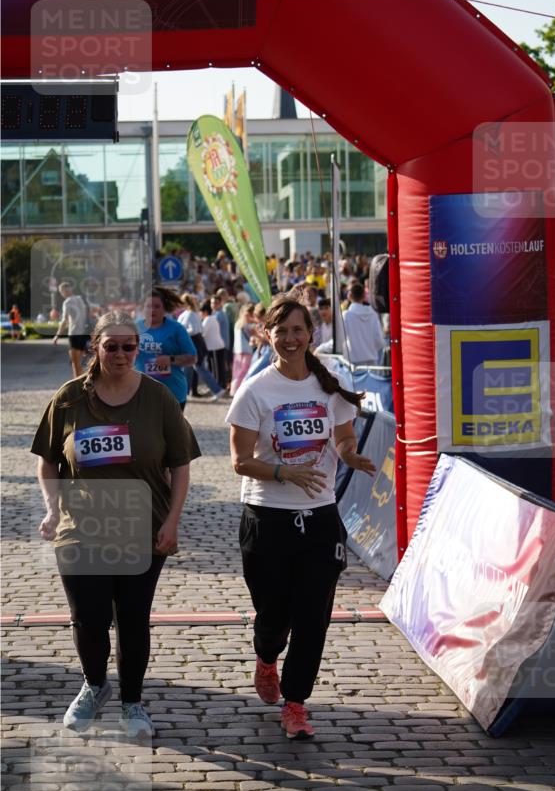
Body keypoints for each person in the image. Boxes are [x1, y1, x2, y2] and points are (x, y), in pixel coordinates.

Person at [32, 312, 201, 739]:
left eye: (129, 346)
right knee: (87, 619)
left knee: (132, 618)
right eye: (112, 346)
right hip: (80, 528)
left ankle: (132, 702)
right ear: (96, 347)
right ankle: (94, 684)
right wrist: (52, 508)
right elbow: (48, 461)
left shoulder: (159, 398)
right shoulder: (69, 398)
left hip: (142, 528)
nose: (121, 354)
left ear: (139, 348)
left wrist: (173, 520)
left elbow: (180, 465)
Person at [227, 295, 376, 739]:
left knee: (313, 616)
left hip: (319, 517)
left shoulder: (330, 387)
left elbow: (344, 439)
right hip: (267, 517)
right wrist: (282, 471)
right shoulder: (254, 391)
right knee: (273, 616)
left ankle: (295, 703)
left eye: (298, 330)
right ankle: (267, 655)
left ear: (312, 334)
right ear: (266, 335)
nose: (290, 339)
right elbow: (239, 460)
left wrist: (352, 455)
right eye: (282, 330)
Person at [136, 287, 197, 410]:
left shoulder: (176, 329)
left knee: (169, 430)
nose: (152, 310)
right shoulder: (134, 328)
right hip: (140, 393)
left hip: (172, 393)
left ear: (165, 308)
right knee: (146, 429)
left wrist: (171, 359)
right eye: (148, 306)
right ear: (143, 308)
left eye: (157, 306)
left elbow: (193, 358)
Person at [178, 293, 225, 400]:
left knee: (199, 368)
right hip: (193, 343)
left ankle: (217, 390)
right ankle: (185, 392)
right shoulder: (191, 313)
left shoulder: (190, 314)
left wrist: (181, 332)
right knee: (189, 369)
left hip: (193, 343)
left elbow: (195, 330)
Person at [53, 282, 90, 377]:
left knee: (75, 363)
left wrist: (57, 336)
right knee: (81, 362)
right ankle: (83, 384)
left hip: (74, 334)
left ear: (63, 291)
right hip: (84, 333)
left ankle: (77, 386)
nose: (62, 294)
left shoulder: (67, 302)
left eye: (61, 292)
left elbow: (64, 321)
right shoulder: (81, 299)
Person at [342, 282, 385, 364]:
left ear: (349, 296)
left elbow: (341, 339)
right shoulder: (373, 314)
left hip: (353, 363)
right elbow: (379, 340)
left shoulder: (346, 315)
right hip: (371, 361)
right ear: (364, 296)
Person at [201, 298, 227, 391]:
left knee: (216, 369)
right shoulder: (212, 318)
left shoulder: (207, 319)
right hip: (218, 346)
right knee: (220, 368)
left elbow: (202, 333)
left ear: (204, 312)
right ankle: (221, 386)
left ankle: (218, 388)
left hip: (215, 348)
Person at [230, 303, 256, 395]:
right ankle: (239, 391)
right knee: (244, 372)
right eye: (249, 314)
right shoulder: (247, 325)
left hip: (237, 351)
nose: (250, 316)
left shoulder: (238, 323)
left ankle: (235, 391)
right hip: (245, 351)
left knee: (238, 372)